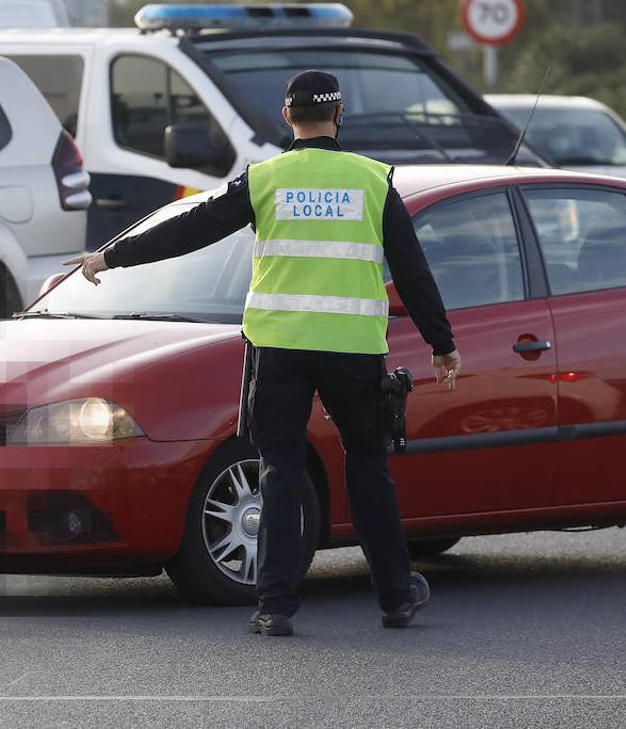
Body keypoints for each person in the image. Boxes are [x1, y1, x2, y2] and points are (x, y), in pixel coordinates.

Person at [66, 70, 462, 636]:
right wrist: (441, 344)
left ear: (287, 117)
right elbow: (413, 268)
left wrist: (110, 257)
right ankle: (395, 598)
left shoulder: (265, 179)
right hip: (351, 350)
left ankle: (275, 604)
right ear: (339, 116)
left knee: (279, 471)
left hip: (279, 349)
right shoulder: (373, 181)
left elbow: (190, 230)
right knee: (368, 467)